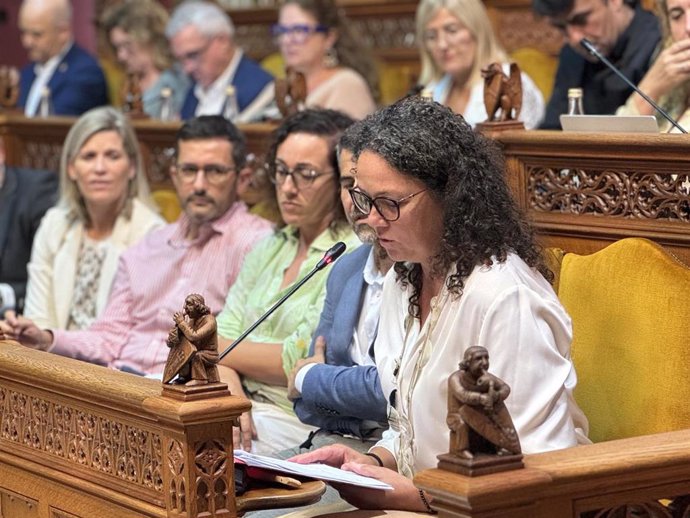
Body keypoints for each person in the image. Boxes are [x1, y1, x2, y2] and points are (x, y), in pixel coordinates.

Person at [290, 97, 589, 515]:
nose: (373, 220)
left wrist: (417, 497)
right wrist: (372, 462)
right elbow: (410, 427)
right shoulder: (404, 276)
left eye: (390, 203)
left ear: (450, 195)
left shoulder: (504, 295)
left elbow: (535, 466)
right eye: (364, 200)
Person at [0, 116, 273, 376]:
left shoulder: (258, 244)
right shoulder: (149, 247)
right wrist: (46, 338)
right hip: (119, 384)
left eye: (214, 171)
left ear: (243, 179)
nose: (199, 185)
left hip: (185, 395)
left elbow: (251, 340)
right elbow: (108, 338)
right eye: (189, 170)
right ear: (174, 175)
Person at [215, 109, 359, 455]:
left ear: (341, 180)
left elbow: (296, 361)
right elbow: (222, 330)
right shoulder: (270, 245)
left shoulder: (352, 253)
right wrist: (228, 391)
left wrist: (216, 353)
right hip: (235, 398)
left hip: (294, 415)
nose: (288, 188)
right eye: (281, 172)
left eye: (305, 175)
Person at [286, 123, 391, 449]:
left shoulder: (423, 270)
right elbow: (303, 403)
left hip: (395, 454)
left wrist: (311, 379)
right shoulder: (345, 266)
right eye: (348, 184)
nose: (357, 200)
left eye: (370, 186)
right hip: (335, 440)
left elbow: (390, 392)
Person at [21, 106, 164, 331]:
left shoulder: (152, 234)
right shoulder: (54, 223)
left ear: (132, 168)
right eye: (88, 156)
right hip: (48, 358)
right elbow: (37, 316)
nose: (100, 168)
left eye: (112, 156)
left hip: (111, 363)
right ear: (71, 169)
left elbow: (134, 333)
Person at [416, 0, 544, 128]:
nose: (442, 44)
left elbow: (519, 144)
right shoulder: (431, 89)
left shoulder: (509, 81)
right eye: (431, 36)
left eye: (452, 30)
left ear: (477, 31)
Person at [534, 0, 660, 129]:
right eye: (561, 28)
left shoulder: (661, 41)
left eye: (581, 19)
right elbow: (552, 127)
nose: (575, 39)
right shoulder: (572, 54)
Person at [166, 0, 275, 122]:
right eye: (180, 60)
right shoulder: (190, 91)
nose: (187, 68)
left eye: (193, 55)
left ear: (223, 41)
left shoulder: (263, 91)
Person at [274, 0, 378, 120]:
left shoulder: (347, 85)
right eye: (282, 30)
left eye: (299, 30)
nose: (287, 40)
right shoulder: (282, 84)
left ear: (329, 38)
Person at [17, 0, 109, 117]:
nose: (27, 42)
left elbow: (57, 125)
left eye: (36, 34)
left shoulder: (85, 74)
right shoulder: (28, 73)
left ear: (63, 32)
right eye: (24, 32)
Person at [101, 0, 189, 119]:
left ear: (149, 38)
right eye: (117, 48)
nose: (121, 56)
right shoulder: (129, 84)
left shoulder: (178, 81)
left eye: (127, 46)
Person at [0, 137, 58, 318]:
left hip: (19, 322)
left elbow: (52, 279)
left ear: (1, 152)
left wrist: (5, 295)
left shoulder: (37, 192)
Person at [616, 0, 690, 132]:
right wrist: (649, 90)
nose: (688, 27)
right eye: (677, 15)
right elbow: (613, 143)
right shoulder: (671, 82)